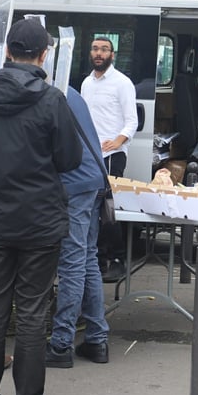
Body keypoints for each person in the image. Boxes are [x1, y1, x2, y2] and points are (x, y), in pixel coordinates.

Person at [0, 18, 81, 395]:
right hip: (40, 219)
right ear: (44, 55)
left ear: (8, 52)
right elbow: (69, 159)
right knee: (32, 311)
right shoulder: (51, 100)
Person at [44, 85, 110, 370]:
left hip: (74, 184)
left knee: (72, 262)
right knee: (86, 258)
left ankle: (61, 343)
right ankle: (96, 339)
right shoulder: (68, 91)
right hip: (92, 180)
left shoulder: (48, 91)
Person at [79, 36, 137, 282]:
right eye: (95, 49)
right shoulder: (86, 83)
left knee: (110, 210)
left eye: (104, 49)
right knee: (91, 208)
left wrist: (118, 141)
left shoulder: (122, 83)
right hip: (89, 155)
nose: (99, 53)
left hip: (112, 155)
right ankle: (97, 259)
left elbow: (132, 120)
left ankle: (117, 259)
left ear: (112, 55)